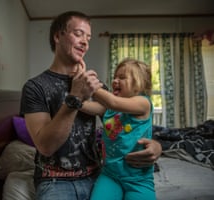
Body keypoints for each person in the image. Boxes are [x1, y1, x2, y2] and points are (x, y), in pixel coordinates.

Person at [20, 11, 161, 200]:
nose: (85, 42)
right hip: (55, 181)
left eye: (88, 37)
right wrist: (75, 97)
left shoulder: (97, 86)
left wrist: (157, 146)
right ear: (57, 36)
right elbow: (46, 146)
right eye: (78, 34)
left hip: (100, 175)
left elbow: (121, 120)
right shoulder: (35, 87)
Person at [81, 58, 156, 200]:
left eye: (122, 77)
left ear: (138, 83)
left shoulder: (143, 102)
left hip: (138, 179)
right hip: (110, 175)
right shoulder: (110, 109)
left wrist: (90, 84)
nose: (115, 81)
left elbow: (113, 101)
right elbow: (89, 107)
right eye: (114, 77)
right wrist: (75, 101)